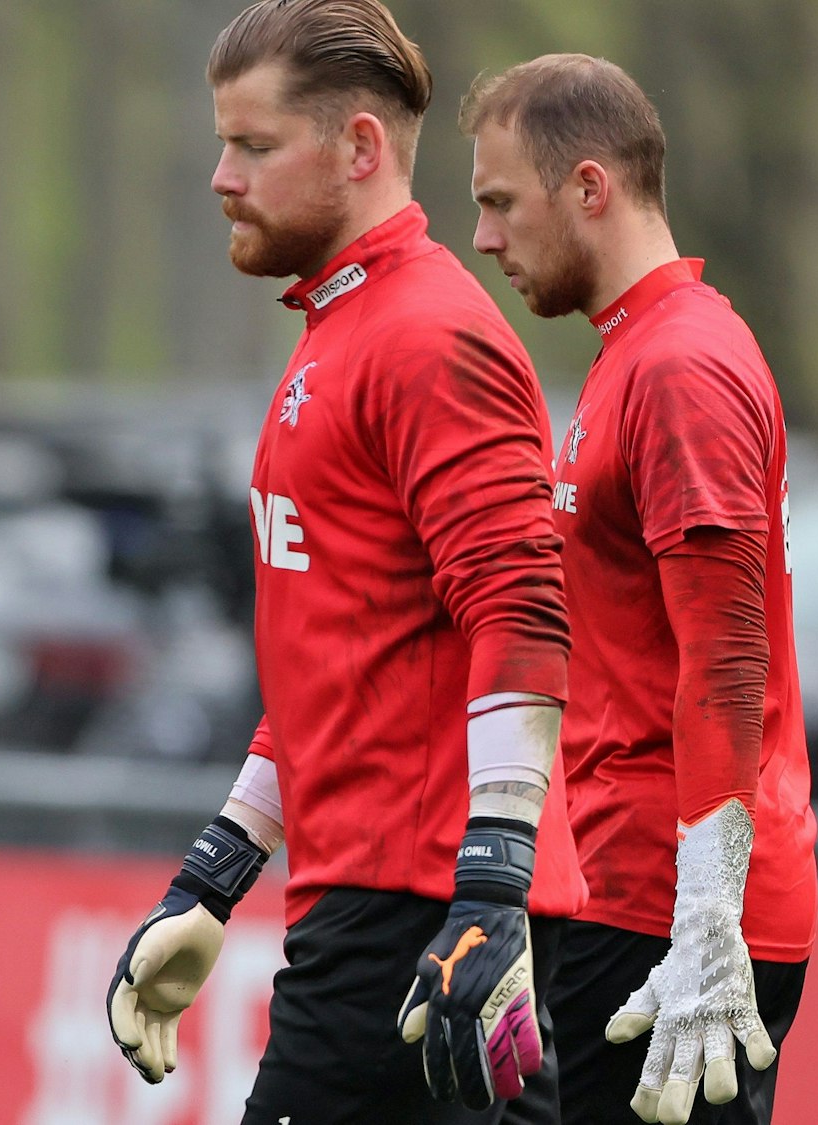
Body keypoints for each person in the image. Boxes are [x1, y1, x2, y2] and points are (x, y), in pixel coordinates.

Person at [104, 3, 585, 1121]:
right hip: (381, 897)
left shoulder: (423, 336)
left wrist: (492, 889)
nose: (222, 176)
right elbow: (340, 652)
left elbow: (518, 608)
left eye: (256, 146)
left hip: (420, 904)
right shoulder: (341, 328)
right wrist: (217, 872)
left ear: (359, 148)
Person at [462, 56, 816, 1125]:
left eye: (497, 203)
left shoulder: (677, 366)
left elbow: (725, 655)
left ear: (587, 189)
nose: (483, 240)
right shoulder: (634, 352)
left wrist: (703, 911)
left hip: (667, 917)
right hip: (626, 891)